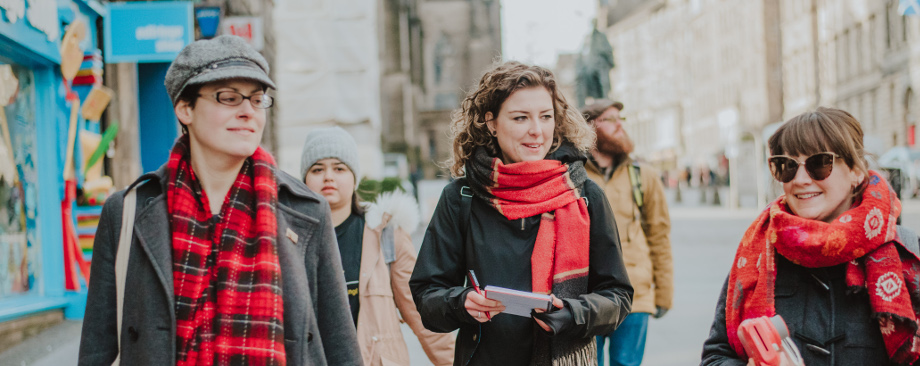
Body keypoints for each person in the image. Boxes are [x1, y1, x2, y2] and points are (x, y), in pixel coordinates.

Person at [78, 36, 363, 365]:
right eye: (229, 98)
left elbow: (339, 343)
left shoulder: (305, 210)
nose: (247, 112)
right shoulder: (128, 211)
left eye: (257, 100)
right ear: (186, 108)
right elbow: (97, 348)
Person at [700, 107, 920, 366]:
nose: (801, 179)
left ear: (855, 171)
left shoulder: (910, 254)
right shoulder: (758, 253)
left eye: (819, 163)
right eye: (786, 165)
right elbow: (716, 355)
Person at [409, 61, 633, 366]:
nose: (536, 131)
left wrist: (573, 313)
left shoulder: (584, 194)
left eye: (545, 117)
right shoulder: (461, 197)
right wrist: (460, 303)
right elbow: (427, 293)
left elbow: (617, 295)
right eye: (520, 118)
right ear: (491, 122)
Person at [299, 127, 455, 365]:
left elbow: (421, 314)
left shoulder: (385, 234)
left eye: (339, 168)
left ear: (355, 177)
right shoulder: (292, 237)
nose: (328, 176)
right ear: (305, 179)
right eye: (317, 169)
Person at [582, 99, 673, 366]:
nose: (619, 125)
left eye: (621, 119)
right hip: (587, 299)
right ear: (590, 127)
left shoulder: (643, 175)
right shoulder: (572, 174)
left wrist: (664, 293)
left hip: (636, 296)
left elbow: (659, 236)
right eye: (609, 120)